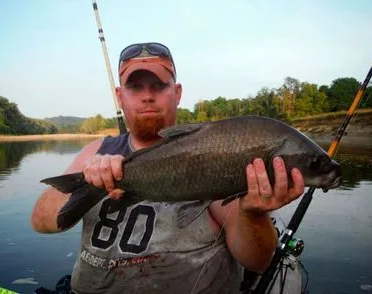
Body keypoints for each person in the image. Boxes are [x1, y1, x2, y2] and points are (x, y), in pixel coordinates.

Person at [31, 42, 305, 294]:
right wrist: (92, 177)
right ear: (120, 96)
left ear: (177, 93)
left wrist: (254, 214)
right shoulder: (99, 150)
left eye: (159, 86)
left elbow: (257, 260)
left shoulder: (214, 153)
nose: (147, 96)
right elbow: (40, 221)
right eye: (136, 87)